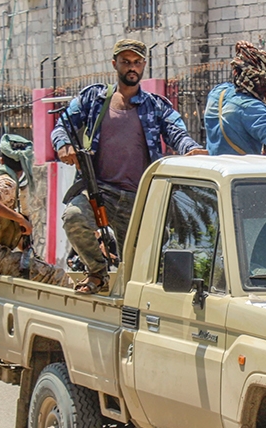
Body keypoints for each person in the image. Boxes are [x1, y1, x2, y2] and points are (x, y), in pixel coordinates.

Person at [52, 38, 207, 294]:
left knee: (135, 267)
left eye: (136, 62)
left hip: (137, 200)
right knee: (73, 217)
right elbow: (63, 123)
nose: (131, 67)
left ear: (144, 65)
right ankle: (97, 273)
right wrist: (63, 144)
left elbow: (176, 131)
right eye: (126, 62)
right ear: (115, 64)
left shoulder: (155, 106)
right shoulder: (94, 99)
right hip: (98, 192)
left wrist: (190, 148)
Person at [0, 134, 73, 288]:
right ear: (25, 165)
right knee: (56, 276)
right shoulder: (6, 183)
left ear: (1, 160)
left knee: (36, 270)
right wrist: (20, 220)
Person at [204, 41, 266, 156]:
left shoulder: (217, 92)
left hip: (212, 167)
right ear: (260, 79)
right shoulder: (252, 107)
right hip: (241, 170)